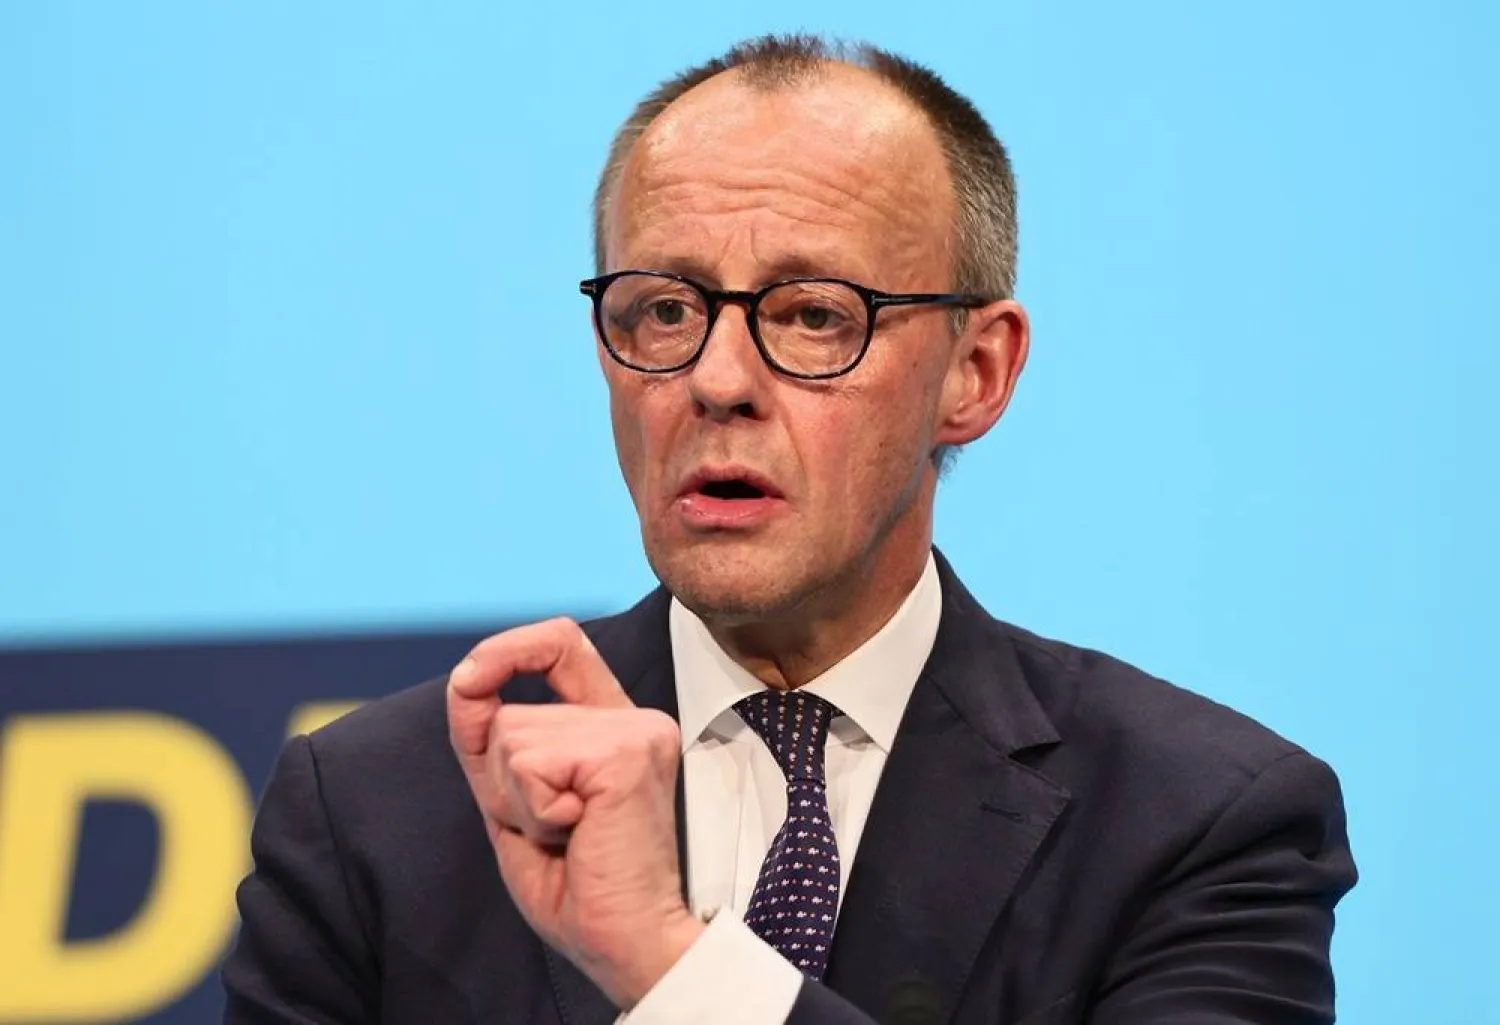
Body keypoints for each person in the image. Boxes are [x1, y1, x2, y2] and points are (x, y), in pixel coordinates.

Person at [222, 33, 1357, 1025]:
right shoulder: (379, 809)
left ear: (975, 371)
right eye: (665, 308)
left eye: (815, 314)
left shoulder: (1196, 822)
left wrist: (670, 965)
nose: (718, 380)